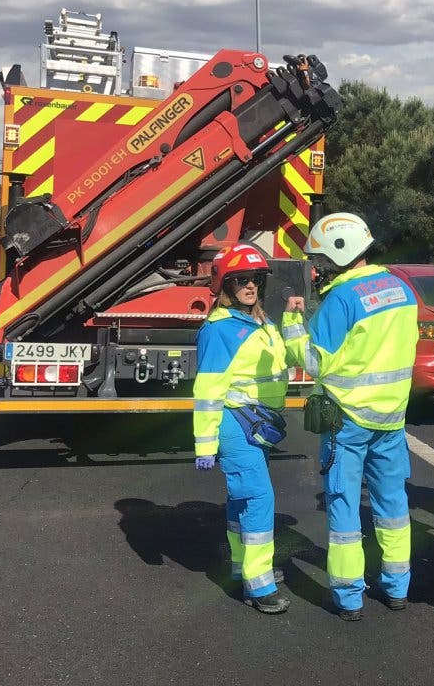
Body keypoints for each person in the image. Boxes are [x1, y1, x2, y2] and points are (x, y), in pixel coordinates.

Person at [281, 212, 419, 621]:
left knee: (343, 505)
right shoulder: (402, 288)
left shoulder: (341, 299)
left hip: (348, 422)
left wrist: (292, 321)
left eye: (320, 260)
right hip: (392, 419)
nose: (318, 268)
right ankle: (397, 587)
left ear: (339, 253)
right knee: (393, 504)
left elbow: (310, 360)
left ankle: (349, 596)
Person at [193, 243, 292, 614]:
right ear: (225, 285)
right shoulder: (220, 330)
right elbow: (207, 391)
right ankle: (259, 583)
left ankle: (241, 566)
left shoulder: (258, 321)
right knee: (258, 499)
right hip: (236, 424)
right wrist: (205, 444)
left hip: (259, 422)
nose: (250, 286)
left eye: (255, 280)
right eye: (241, 280)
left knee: (241, 499)